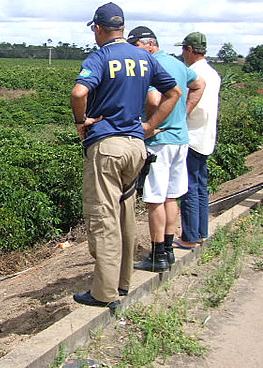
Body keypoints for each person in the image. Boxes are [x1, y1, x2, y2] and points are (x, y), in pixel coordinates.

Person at [70, 3, 181, 308]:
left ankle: (103, 293)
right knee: (125, 215)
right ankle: (122, 283)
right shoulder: (144, 57)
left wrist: (81, 123)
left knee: (103, 217)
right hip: (136, 147)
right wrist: (150, 125)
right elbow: (173, 93)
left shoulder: (101, 57)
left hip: (107, 147)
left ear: (99, 28)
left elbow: (79, 93)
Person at [128, 26, 206, 273]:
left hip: (159, 143)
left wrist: (151, 125)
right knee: (171, 197)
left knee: (154, 200)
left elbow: (152, 100)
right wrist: (183, 114)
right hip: (180, 140)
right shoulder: (177, 64)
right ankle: (169, 250)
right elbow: (199, 85)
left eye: (135, 47)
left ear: (148, 44)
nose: (133, 53)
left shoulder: (152, 65)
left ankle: (158, 254)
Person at [174, 32, 221, 249]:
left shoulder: (190, 74)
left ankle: (190, 237)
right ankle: (201, 232)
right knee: (201, 186)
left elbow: (181, 103)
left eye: (184, 49)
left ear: (190, 50)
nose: (182, 54)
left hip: (191, 137)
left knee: (189, 187)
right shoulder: (213, 74)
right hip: (206, 137)